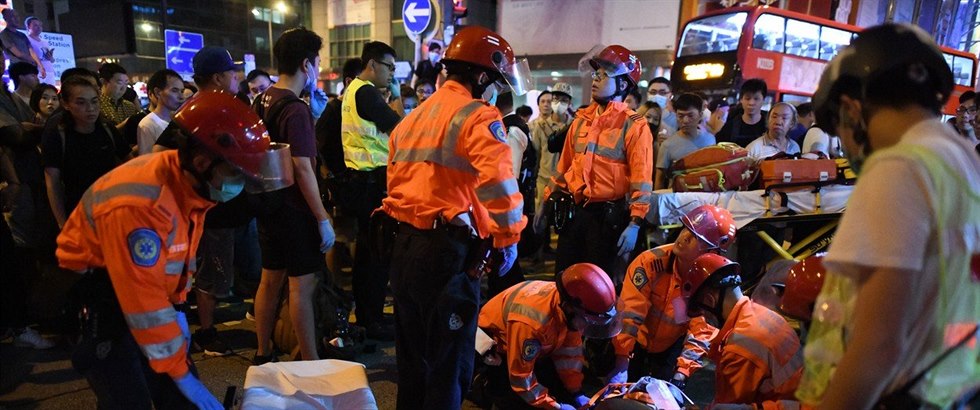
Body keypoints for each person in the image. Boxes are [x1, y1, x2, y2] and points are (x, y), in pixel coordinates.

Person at [55, 90, 291, 410]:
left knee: (173, 389)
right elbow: (144, 299)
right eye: (236, 173)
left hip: (139, 288)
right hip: (99, 294)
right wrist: (183, 376)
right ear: (202, 161)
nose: (240, 187)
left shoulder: (189, 184)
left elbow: (176, 257)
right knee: (129, 397)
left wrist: (179, 306)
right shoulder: (142, 204)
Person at [799, 23, 980, 409]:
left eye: (838, 130)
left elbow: (879, 345)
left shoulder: (896, 166)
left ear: (850, 108)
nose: (844, 144)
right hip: (953, 390)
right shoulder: (965, 161)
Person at [381, 25, 529, 409]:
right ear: (482, 77)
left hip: (405, 248)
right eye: (495, 82)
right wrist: (508, 239)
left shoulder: (414, 118)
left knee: (412, 359)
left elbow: (397, 183)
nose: (496, 91)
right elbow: (499, 186)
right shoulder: (478, 116)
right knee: (449, 362)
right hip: (446, 255)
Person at [153, 45, 244, 357]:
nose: (238, 77)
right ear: (218, 77)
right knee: (208, 271)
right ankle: (206, 334)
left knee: (213, 270)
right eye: (233, 72)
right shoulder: (199, 109)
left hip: (221, 207)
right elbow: (157, 153)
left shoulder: (217, 106)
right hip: (208, 209)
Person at [251, 27, 336, 364]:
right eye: (316, 61)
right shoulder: (295, 109)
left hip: (269, 206)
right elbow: (303, 167)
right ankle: (311, 361)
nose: (316, 67)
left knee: (270, 280)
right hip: (296, 210)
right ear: (306, 64)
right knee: (302, 285)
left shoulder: (263, 99)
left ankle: (263, 351)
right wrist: (322, 217)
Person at [537, 45, 653, 279]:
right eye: (596, 74)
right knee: (565, 278)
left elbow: (642, 180)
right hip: (575, 215)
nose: (596, 80)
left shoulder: (634, 125)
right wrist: (545, 201)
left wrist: (634, 224)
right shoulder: (581, 120)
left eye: (604, 75)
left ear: (623, 84)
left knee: (598, 287)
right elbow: (564, 169)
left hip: (608, 221)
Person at [608, 205, 734, 388]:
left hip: (669, 348)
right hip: (634, 343)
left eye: (696, 237)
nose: (684, 237)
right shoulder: (650, 262)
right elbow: (629, 315)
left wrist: (682, 374)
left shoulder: (710, 283)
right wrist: (621, 362)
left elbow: (702, 332)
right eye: (686, 229)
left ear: (712, 252)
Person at [478, 264, 621, 409]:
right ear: (570, 308)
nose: (586, 328)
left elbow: (569, 356)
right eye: (588, 322)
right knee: (518, 402)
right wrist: (554, 406)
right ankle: (484, 385)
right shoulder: (533, 322)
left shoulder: (568, 308)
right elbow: (521, 378)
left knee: (563, 390)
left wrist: (576, 392)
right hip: (495, 348)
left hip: (536, 348)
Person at [338, 41, 403, 340]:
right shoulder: (365, 91)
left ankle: (369, 315)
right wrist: (399, 98)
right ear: (373, 65)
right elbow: (399, 127)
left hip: (360, 181)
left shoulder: (351, 92)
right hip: (371, 183)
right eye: (390, 66)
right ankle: (371, 318)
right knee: (375, 254)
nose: (392, 73)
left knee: (368, 253)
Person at [681, 253, 803, 409]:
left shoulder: (740, 347)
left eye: (702, 311)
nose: (704, 318)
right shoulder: (763, 314)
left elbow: (729, 405)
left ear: (709, 301)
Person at [43, 78, 130, 230]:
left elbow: (129, 162)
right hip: (78, 212)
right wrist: (63, 224)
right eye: (81, 102)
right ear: (66, 104)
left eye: (94, 101)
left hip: (114, 209)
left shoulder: (106, 128)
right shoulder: (57, 134)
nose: (90, 108)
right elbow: (53, 183)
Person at [654, 93, 716, 190]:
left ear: (700, 115)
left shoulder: (710, 140)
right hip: (677, 199)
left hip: (706, 197)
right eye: (680, 116)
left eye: (690, 115)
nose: (685, 120)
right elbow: (659, 179)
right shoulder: (667, 145)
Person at [137, 69, 184, 155]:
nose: (181, 96)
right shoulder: (148, 124)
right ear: (157, 92)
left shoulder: (181, 120)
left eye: (181, 91)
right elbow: (147, 160)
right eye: (174, 90)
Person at [715, 79, 769, 147]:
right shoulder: (730, 127)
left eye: (756, 99)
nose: (751, 103)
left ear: (763, 100)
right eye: (747, 98)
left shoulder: (769, 126)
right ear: (741, 99)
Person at [0, 9, 44, 76]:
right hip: (18, 69)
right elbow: (18, 54)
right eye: (13, 16)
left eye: (17, 16)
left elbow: (31, 50)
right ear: (6, 18)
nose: (17, 19)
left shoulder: (22, 35)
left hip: (30, 68)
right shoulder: (4, 34)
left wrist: (40, 65)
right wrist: (34, 61)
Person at [24, 16, 55, 85]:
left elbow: (52, 60)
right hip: (37, 72)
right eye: (35, 25)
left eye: (40, 25)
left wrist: (50, 58)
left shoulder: (45, 42)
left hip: (49, 72)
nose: (39, 27)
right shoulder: (26, 40)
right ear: (28, 26)